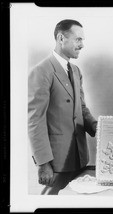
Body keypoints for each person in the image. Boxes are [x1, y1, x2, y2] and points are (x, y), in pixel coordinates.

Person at [28, 19, 97, 195]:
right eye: (78, 39)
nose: (82, 45)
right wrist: (43, 163)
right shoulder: (41, 71)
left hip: (79, 156)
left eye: (82, 40)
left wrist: (97, 127)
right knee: (49, 201)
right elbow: (35, 120)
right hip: (55, 161)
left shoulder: (75, 71)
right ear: (61, 38)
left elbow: (81, 108)